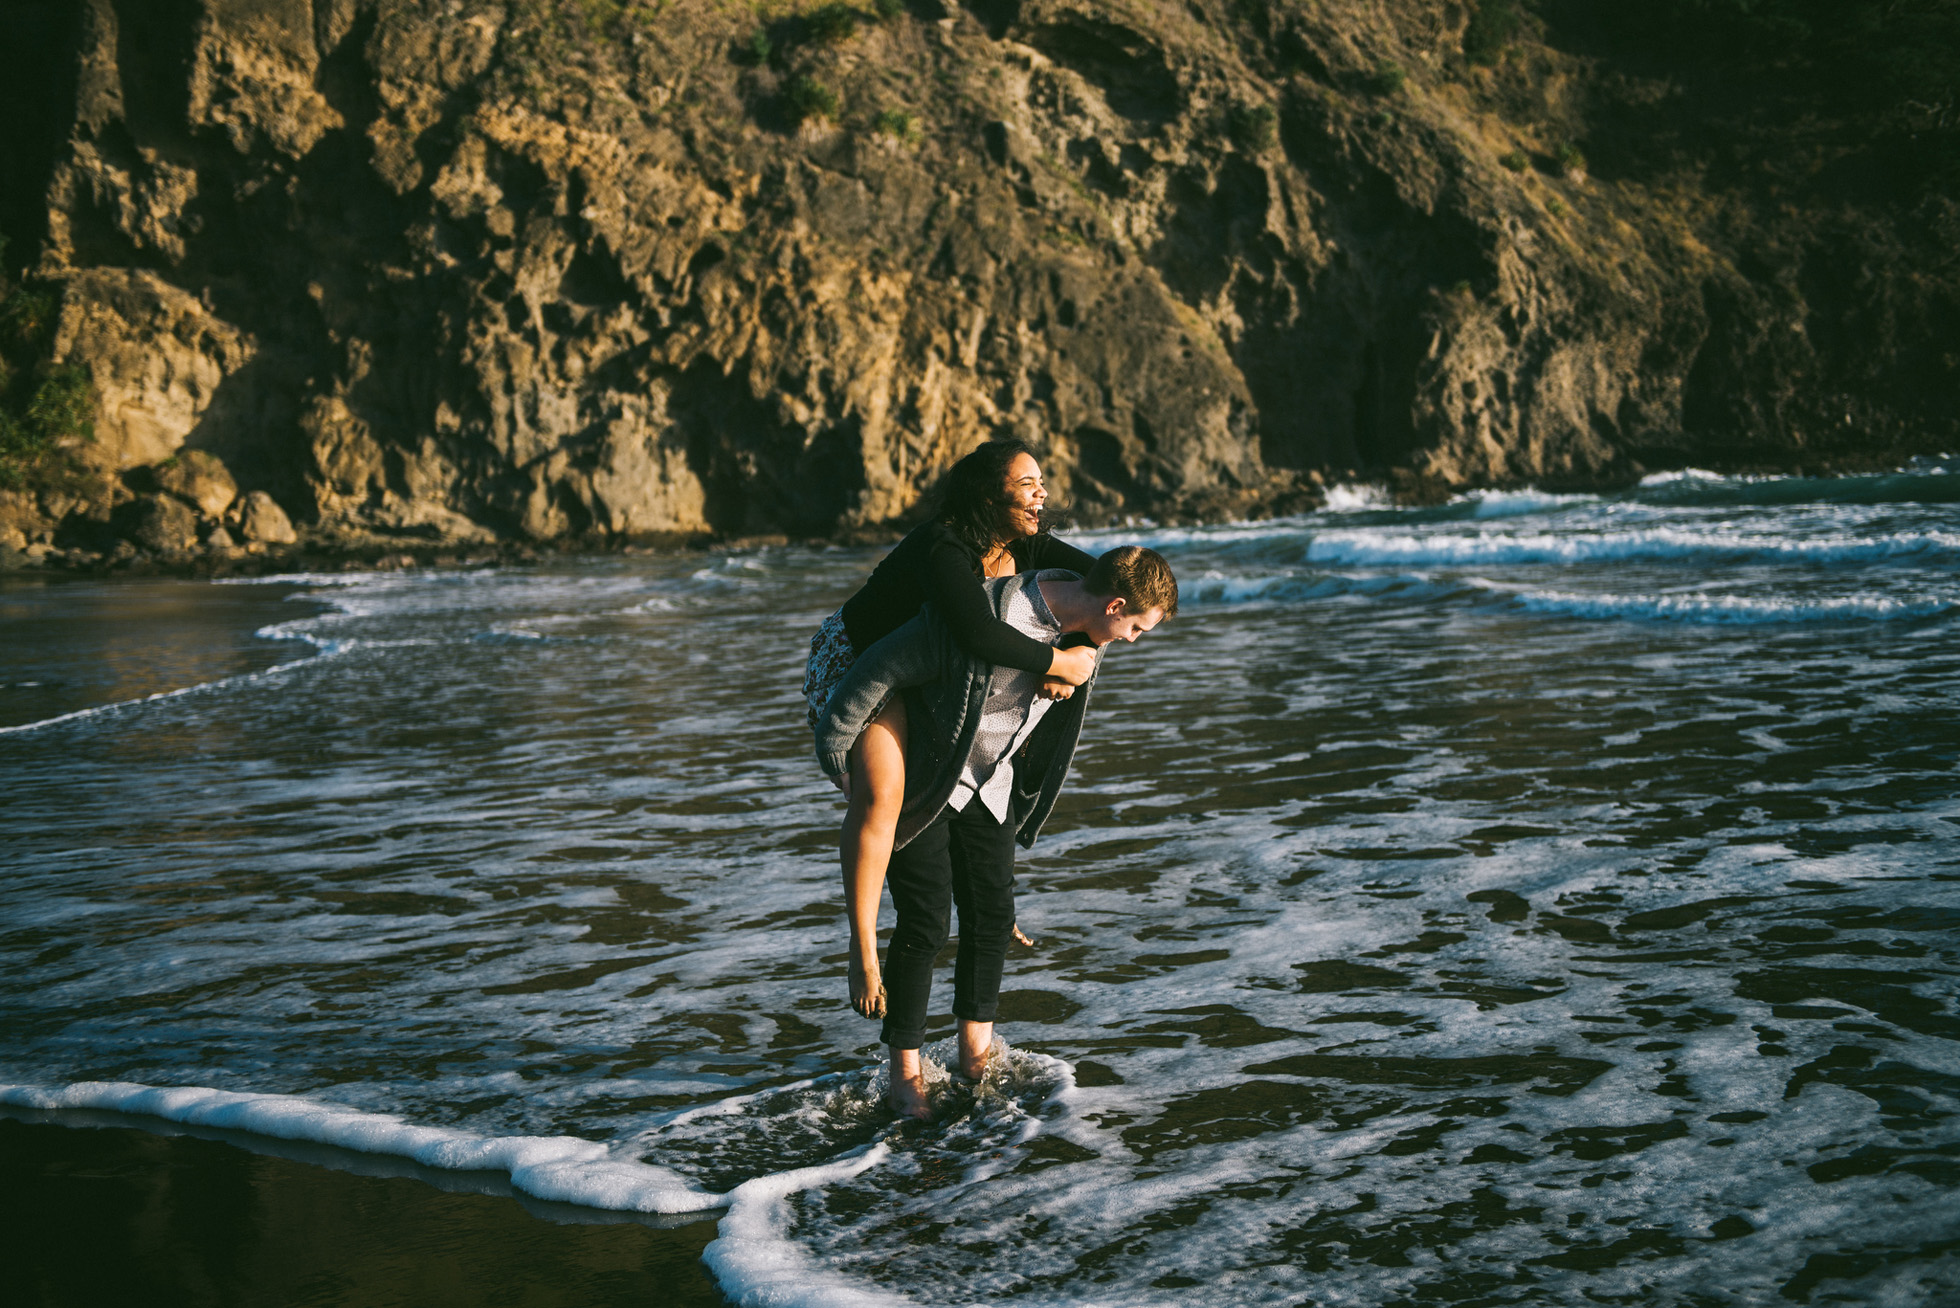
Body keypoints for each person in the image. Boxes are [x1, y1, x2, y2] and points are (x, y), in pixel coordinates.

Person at [814, 546, 1178, 1117]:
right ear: (1114, 604)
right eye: (1135, 627)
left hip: (993, 784)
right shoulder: (983, 618)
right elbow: (881, 665)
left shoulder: (1087, 633)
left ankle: (974, 1057)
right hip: (929, 783)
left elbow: (1054, 689)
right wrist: (836, 752)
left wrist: (1070, 653)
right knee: (926, 922)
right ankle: (905, 1074)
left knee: (990, 920)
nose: (1132, 639)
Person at [802, 441, 1102, 1022]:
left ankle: (989, 903)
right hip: (860, 664)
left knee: (970, 773)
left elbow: (1103, 588)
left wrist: (1082, 642)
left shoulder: (1025, 543)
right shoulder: (944, 545)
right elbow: (975, 633)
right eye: (1027, 483)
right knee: (885, 794)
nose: (1042, 493)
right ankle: (862, 946)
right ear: (989, 493)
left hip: (929, 669)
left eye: (1043, 481)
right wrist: (1059, 665)